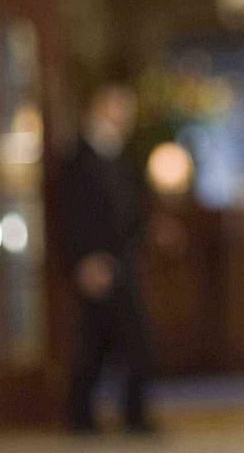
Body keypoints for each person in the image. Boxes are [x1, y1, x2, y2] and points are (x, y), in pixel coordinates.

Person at [57, 80, 156, 434]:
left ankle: (119, 416)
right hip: (98, 266)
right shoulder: (79, 159)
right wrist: (84, 261)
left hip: (121, 263)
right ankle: (86, 417)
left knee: (112, 343)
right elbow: (72, 216)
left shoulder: (118, 155)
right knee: (104, 344)